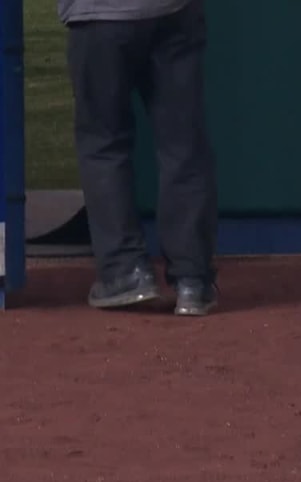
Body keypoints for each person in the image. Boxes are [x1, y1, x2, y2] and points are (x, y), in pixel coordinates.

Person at [59, 0, 219, 315]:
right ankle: (193, 281)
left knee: (103, 143)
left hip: (98, 16)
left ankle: (125, 272)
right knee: (183, 144)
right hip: (174, 11)